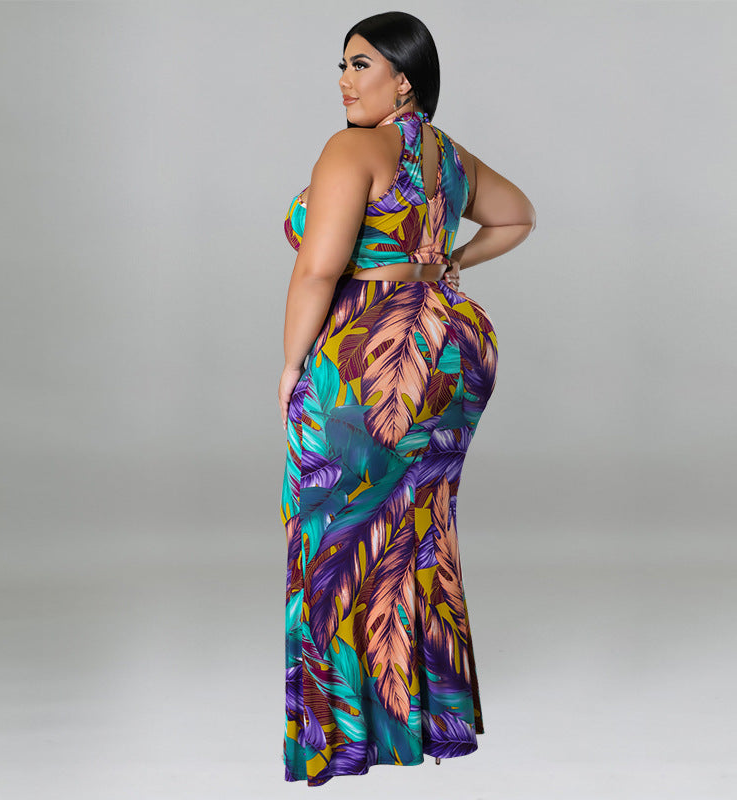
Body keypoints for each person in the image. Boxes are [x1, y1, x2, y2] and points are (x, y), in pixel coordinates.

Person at [279, 11, 535, 787]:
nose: (344, 80)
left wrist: (291, 365)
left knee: (334, 537)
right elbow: (516, 215)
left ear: (404, 80)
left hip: (375, 353)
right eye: (342, 65)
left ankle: (344, 736)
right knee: (417, 528)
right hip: (454, 346)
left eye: (361, 65)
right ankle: (424, 722)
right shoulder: (447, 154)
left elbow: (319, 269)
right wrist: (447, 262)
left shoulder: (351, 148)